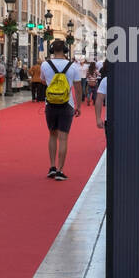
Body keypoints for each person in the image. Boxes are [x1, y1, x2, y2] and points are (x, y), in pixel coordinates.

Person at [41, 38, 82, 180]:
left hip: (50, 104)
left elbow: (42, 80)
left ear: (52, 50)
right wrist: (79, 106)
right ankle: (60, 170)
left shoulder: (45, 65)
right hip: (67, 104)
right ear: (65, 50)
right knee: (63, 138)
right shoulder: (73, 67)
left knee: (52, 135)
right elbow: (77, 88)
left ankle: (52, 167)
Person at [95, 59, 108, 144]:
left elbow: (99, 99)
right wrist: (98, 118)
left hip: (111, 119)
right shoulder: (106, 80)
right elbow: (99, 99)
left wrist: (98, 118)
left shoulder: (106, 80)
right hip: (111, 119)